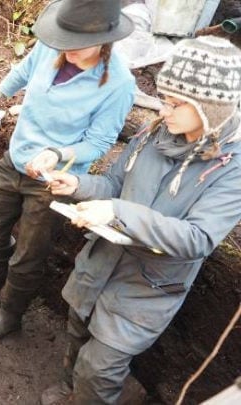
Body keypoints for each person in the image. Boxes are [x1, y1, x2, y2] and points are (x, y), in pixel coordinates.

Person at [43, 35, 241, 404]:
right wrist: (79, 185)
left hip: (145, 289)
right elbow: (116, 184)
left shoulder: (231, 168)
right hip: (100, 265)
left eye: (176, 103)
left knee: (99, 368)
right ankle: (70, 392)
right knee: (77, 333)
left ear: (210, 108)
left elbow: (197, 238)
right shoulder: (154, 132)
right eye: (164, 99)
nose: (163, 111)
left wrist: (119, 212)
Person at [0, 0, 135, 342]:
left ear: (104, 40)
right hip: (16, 158)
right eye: (64, 42)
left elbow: (100, 142)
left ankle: (10, 313)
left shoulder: (119, 85)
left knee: (29, 254)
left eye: (76, 46)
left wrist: (56, 153)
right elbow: (20, 74)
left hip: (53, 180)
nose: (67, 50)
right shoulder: (52, 45)